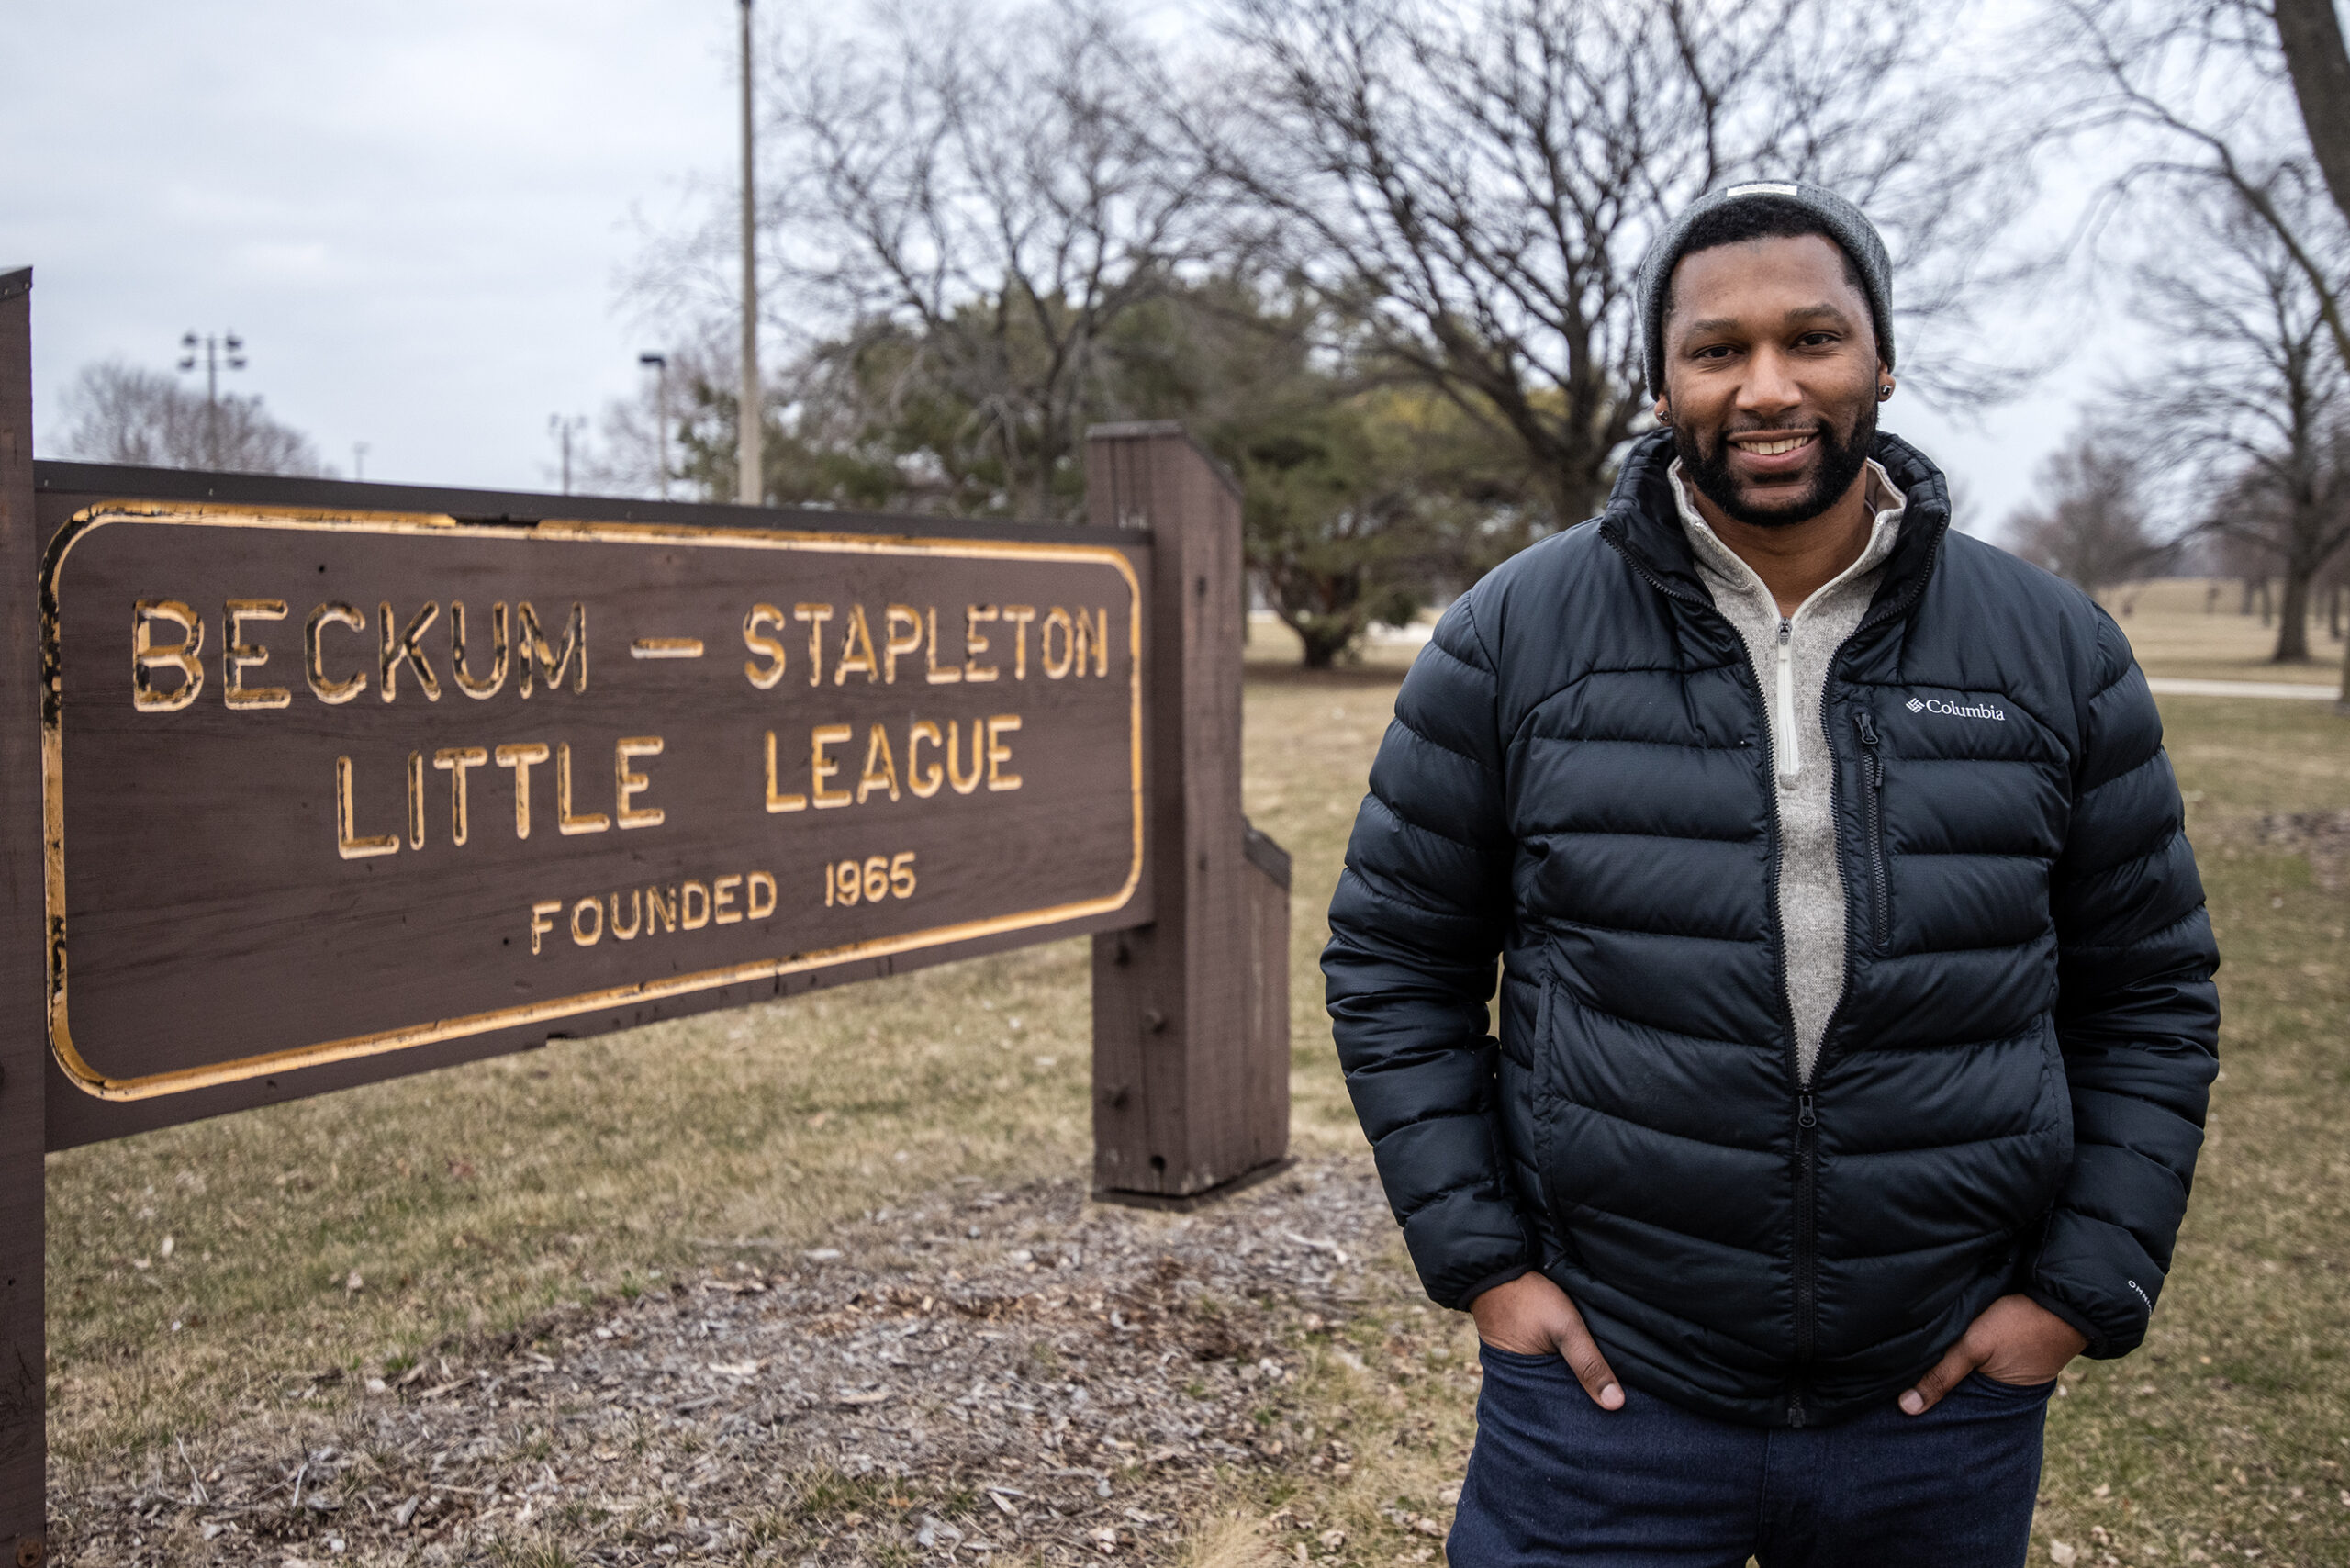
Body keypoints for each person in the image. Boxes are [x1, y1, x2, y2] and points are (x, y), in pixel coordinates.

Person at [1322, 181, 2220, 1567]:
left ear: (1881, 360)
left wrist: (2076, 1289)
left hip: (1938, 1404)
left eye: (1812, 339)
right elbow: (1395, 964)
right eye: (1717, 349)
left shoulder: (2054, 648)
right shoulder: (1512, 638)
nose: (1767, 386)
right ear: (1663, 381)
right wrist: (1489, 1268)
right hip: (1606, 1396)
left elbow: (2151, 993)